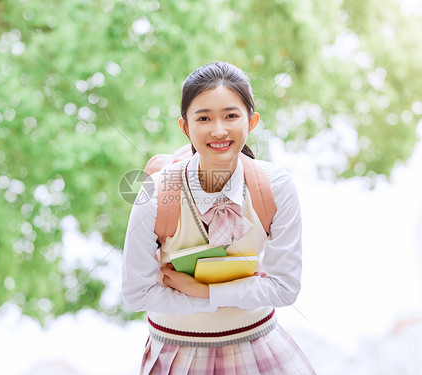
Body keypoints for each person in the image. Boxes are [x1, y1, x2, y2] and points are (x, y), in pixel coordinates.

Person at [122, 62, 315, 374]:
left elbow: (284, 288)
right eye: (203, 118)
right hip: (177, 355)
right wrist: (225, 297)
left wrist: (205, 292)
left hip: (258, 347)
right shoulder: (158, 195)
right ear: (185, 127)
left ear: (251, 121)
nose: (219, 130)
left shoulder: (275, 187)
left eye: (231, 115)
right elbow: (136, 293)